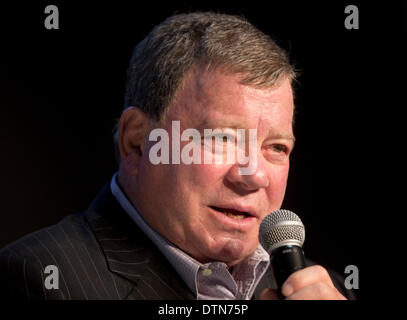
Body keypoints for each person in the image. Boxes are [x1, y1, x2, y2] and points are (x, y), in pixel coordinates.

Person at [0, 12, 355, 300]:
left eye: (276, 148)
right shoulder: (41, 279)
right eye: (223, 138)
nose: (255, 176)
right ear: (138, 142)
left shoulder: (330, 292)